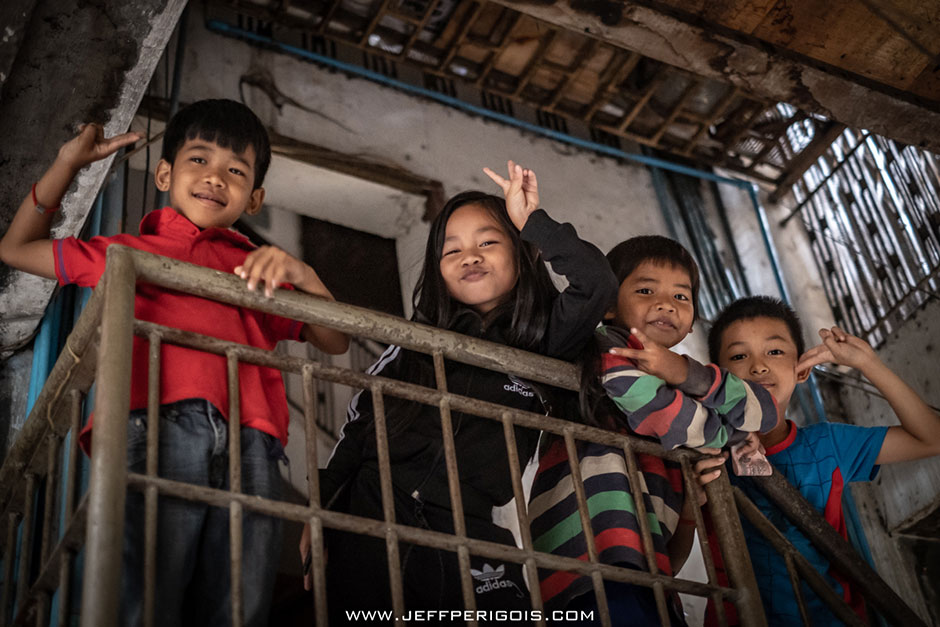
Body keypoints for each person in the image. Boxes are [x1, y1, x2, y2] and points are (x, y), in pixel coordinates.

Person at [0, 99, 349, 627]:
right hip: (156, 428)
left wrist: (302, 273)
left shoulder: (258, 268)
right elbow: (16, 247)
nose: (215, 178)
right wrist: (68, 164)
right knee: (143, 598)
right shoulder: (126, 250)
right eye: (199, 160)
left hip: (253, 443)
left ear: (254, 196)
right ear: (164, 173)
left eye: (235, 170)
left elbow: (336, 339)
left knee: (237, 607)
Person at [300, 161, 618, 623]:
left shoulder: (546, 339)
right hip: (370, 515)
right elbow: (361, 424)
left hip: (470, 523)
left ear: (524, 253)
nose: (470, 256)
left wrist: (534, 222)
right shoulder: (416, 342)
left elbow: (597, 284)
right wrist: (322, 508)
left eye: (488, 242)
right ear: (438, 270)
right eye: (452, 251)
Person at [528, 236, 777, 626]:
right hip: (590, 567)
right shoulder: (605, 348)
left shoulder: (681, 376)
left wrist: (686, 373)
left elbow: (764, 412)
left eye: (681, 297)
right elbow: (662, 414)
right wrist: (731, 435)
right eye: (646, 290)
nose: (666, 304)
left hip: (647, 571)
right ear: (608, 305)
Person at [698, 295, 940, 626]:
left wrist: (869, 364)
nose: (758, 366)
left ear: (802, 371)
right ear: (718, 378)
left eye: (775, 351)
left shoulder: (828, 444)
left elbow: (932, 438)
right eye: (739, 356)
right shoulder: (703, 449)